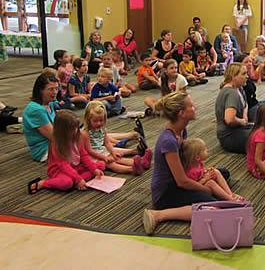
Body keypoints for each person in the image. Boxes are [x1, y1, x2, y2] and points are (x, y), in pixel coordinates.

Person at [142, 92, 231, 235]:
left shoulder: (181, 131)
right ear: (182, 113)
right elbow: (181, 181)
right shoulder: (168, 141)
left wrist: (203, 174)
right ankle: (158, 215)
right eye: (192, 106)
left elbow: (185, 165)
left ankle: (206, 193)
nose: (195, 107)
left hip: (180, 182)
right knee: (213, 205)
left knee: (222, 173)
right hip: (167, 192)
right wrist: (205, 187)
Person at [27, 110, 104, 194]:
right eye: (72, 129)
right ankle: (43, 183)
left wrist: (94, 169)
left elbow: (84, 156)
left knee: (100, 166)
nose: (75, 131)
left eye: (76, 128)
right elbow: (63, 165)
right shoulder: (56, 143)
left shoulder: (78, 137)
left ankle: (76, 181)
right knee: (67, 183)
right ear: (63, 131)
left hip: (75, 167)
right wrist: (79, 179)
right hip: (59, 170)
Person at [82, 101, 150, 175]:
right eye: (95, 121)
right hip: (92, 156)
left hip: (102, 151)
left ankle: (143, 163)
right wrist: (104, 157)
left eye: (101, 120)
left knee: (117, 158)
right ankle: (131, 169)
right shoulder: (85, 133)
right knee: (111, 164)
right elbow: (89, 151)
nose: (99, 123)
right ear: (88, 119)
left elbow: (107, 143)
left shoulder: (102, 129)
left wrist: (113, 152)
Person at [215, 63, 252, 154]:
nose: (247, 76)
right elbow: (229, 119)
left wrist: (244, 116)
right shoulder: (231, 93)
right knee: (263, 134)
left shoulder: (238, 88)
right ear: (233, 76)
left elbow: (245, 104)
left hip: (237, 129)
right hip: (229, 135)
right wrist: (242, 121)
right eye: (243, 74)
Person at [23, 74, 59, 162]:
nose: (55, 92)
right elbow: (55, 137)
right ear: (40, 91)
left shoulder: (49, 103)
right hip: (44, 151)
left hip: (55, 145)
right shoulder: (36, 109)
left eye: (56, 88)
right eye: (50, 89)